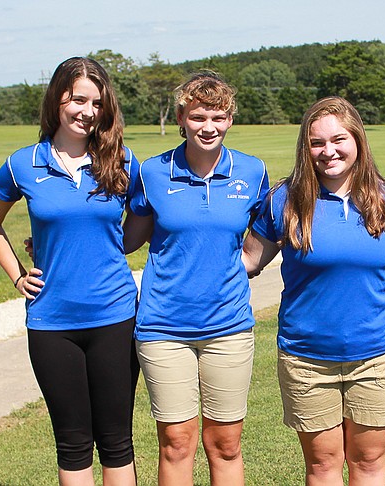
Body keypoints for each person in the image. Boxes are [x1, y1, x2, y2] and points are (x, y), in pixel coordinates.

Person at [242, 96, 385, 486]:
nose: (329, 151)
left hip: (376, 355)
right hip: (307, 359)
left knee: (369, 463)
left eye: (339, 139)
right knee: (323, 466)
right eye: (316, 143)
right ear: (305, 148)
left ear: (357, 139)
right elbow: (248, 261)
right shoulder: (284, 200)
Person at [0, 57, 139, 485]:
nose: (87, 111)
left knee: (117, 440)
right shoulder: (22, 164)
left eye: (97, 103)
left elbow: (147, 216)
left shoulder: (122, 159)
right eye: (77, 99)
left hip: (115, 317)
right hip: (52, 323)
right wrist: (17, 274)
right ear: (57, 99)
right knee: (71, 442)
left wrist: (113, 245)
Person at [124, 72, 269, 486]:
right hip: (163, 327)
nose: (209, 127)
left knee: (225, 444)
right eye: (199, 116)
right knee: (176, 442)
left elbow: (268, 232)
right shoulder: (152, 172)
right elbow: (127, 239)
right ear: (182, 117)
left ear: (230, 119)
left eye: (219, 117)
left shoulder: (252, 171)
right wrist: (54, 240)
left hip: (228, 328)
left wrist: (250, 264)